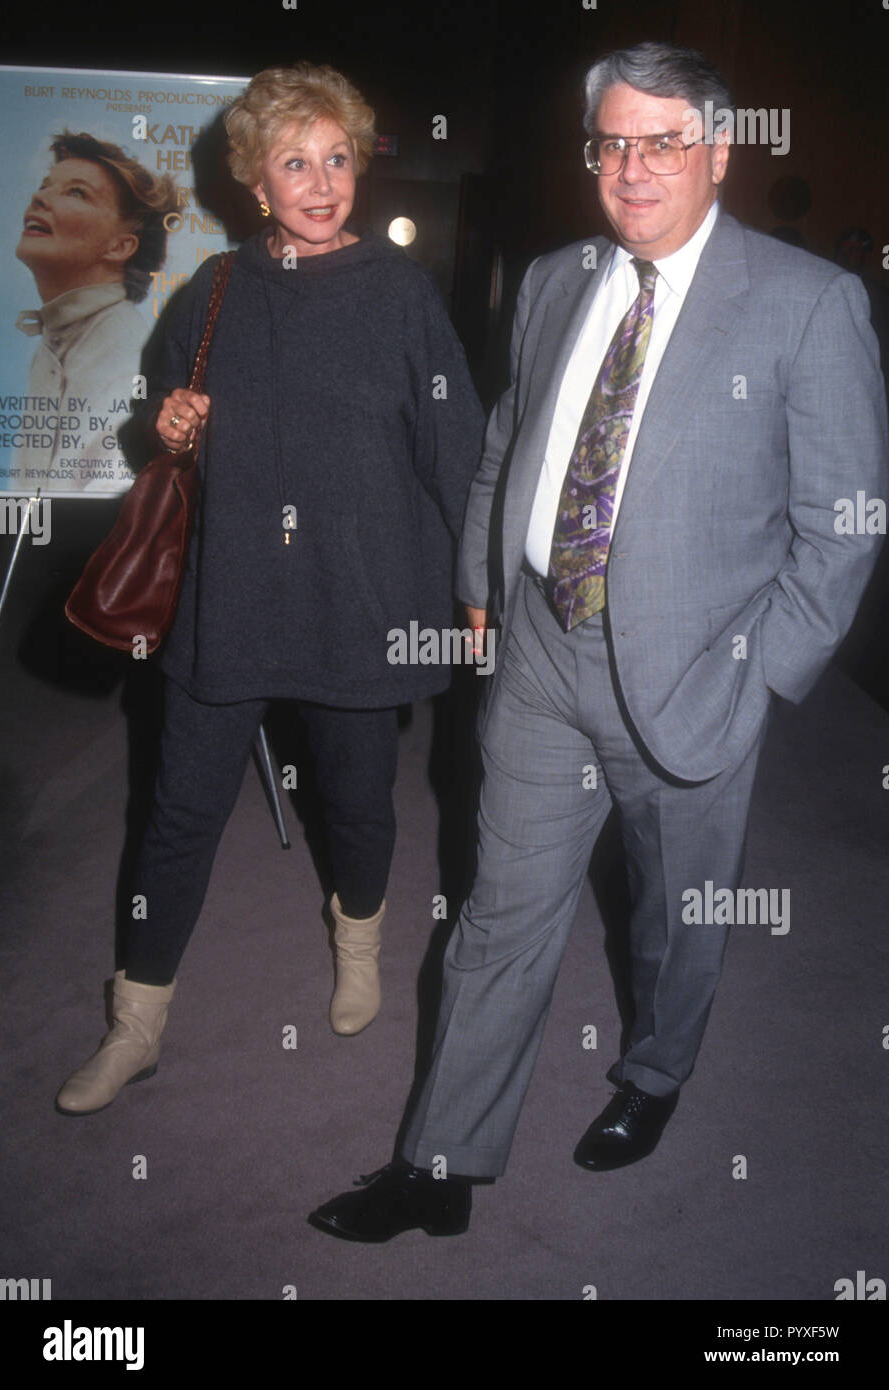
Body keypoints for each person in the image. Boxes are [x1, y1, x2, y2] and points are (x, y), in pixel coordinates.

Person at [309, 40, 888, 1241]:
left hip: (693, 674)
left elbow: (842, 525)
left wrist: (762, 676)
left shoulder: (807, 304)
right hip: (536, 651)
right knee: (496, 914)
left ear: (717, 153)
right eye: (611, 141)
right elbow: (511, 436)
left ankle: (654, 1073)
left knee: (675, 914)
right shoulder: (558, 276)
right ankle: (438, 1162)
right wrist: (481, 580)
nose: (631, 168)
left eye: (661, 142)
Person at [55, 63, 486, 1115]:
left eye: (338, 158)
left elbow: (456, 446)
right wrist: (169, 420)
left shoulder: (398, 295)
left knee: (355, 798)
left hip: (362, 597)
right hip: (232, 595)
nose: (322, 180)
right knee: (178, 809)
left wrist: (476, 589)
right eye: (296, 161)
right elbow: (163, 395)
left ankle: (359, 946)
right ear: (255, 180)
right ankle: (137, 1022)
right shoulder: (215, 290)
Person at [13, 132, 178, 493]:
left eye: (76, 192)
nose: (39, 198)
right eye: (45, 186)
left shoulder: (124, 356)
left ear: (120, 246)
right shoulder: (54, 346)